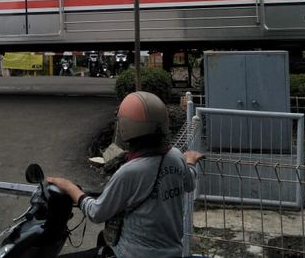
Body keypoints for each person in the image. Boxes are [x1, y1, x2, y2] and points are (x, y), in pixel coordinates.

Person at [48, 91, 203, 258]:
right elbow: (189, 182)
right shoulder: (175, 156)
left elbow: (96, 212)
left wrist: (70, 188)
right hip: (173, 252)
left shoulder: (129, 172)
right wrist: (190, 161)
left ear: (125, 127)